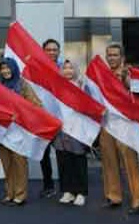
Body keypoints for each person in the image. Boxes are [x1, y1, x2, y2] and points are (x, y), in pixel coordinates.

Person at [99, 43, 139, 215]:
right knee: (109, 162)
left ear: (122, 57)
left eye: (115, 55)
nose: (111, 58)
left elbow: (137, 93)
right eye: (109, 55)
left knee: (130, 164)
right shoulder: (102, 74)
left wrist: (126, 79)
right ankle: (114, 196)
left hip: (126, 125)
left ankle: (137, 200)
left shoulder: (129, 73)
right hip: (107, 124)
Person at [0, 57, 41, 207]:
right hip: (4, 132)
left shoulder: (22, 85)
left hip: (20, 131)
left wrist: (21, 113)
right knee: (7, 163)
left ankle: (20, 195)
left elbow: (36, 105)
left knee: (19, 162)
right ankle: (10, 193)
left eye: (8, 68)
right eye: (2, 68)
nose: (5, 71)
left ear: (13, 68)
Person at [55, 60, 89, 207]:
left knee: (78, 161)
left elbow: (88, 105)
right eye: (65, 68)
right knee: (64, 160)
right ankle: (67, 191)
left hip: (77, 129)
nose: (68, 70)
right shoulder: (56, 87)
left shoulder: (82, 86)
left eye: (71, 67)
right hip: (61, 130)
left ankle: (81, 192)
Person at [39, 39, 60, 199]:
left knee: (63, 155)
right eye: (48, 50)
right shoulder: (37, 69)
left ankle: (67, 187)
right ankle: (48, 186)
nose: (52, 52)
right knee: (43, 155)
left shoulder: (64, 69)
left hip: (61, 120)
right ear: (43, 51)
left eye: (54, 50)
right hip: (43, 119)